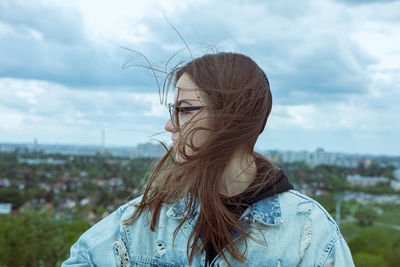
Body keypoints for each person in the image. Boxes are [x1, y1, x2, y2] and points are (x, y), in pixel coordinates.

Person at [62, 52, 355, 266]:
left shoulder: (309, 230)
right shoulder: (145, 219)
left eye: (185, 109)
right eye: (173, 110)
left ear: (232, 117)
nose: (170, 125)